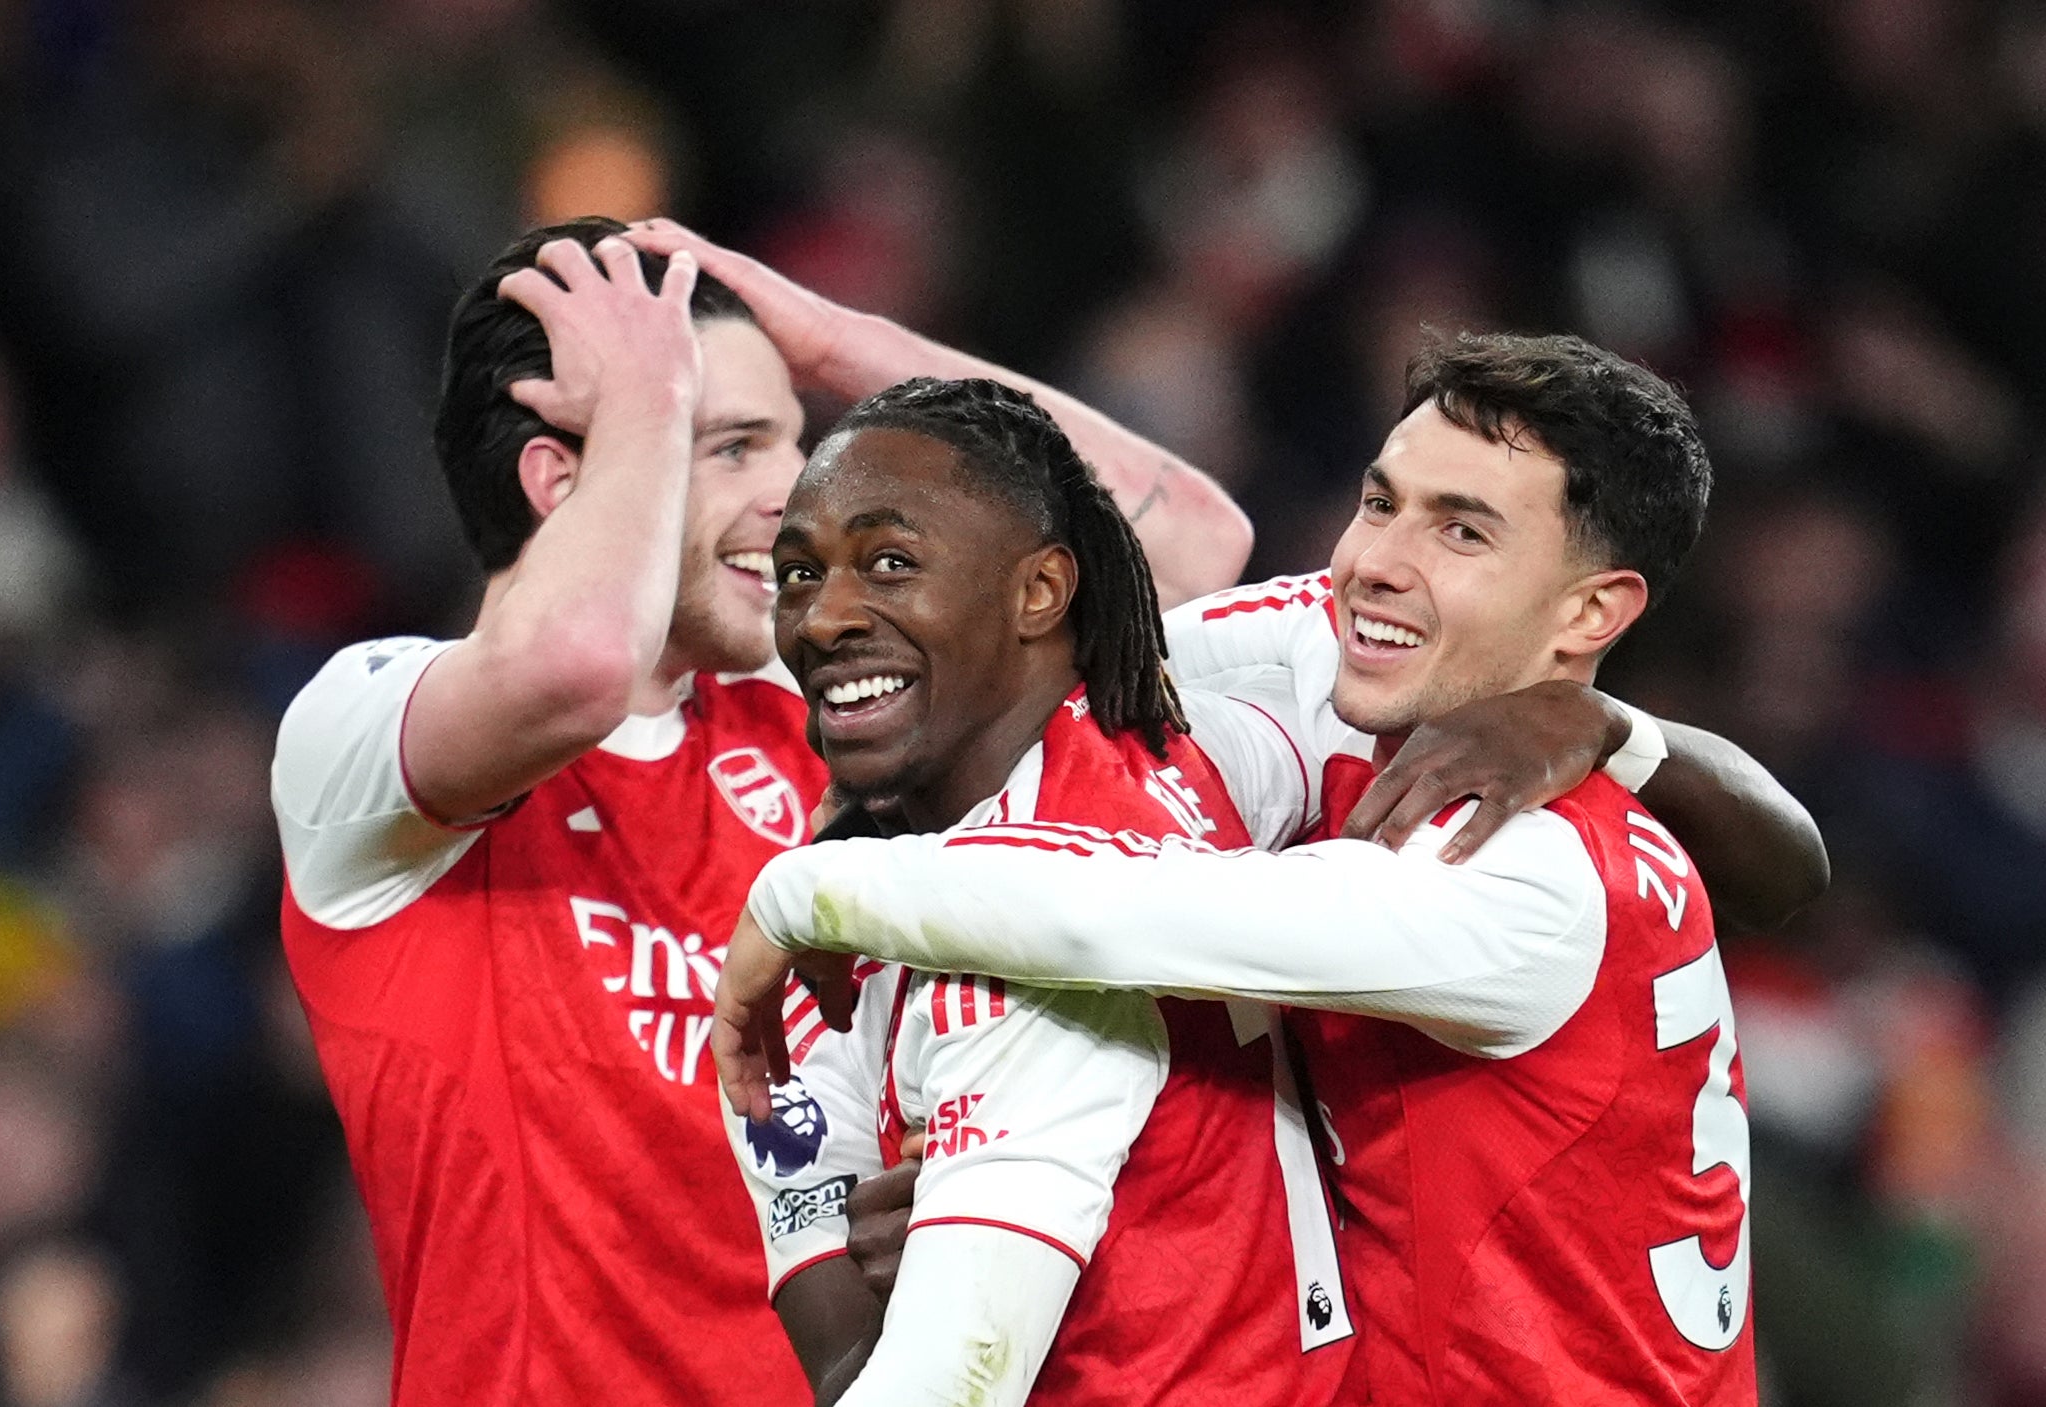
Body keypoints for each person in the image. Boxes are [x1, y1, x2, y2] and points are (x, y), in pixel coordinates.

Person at [269, 216, 1256, 1407]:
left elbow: (1191, 547)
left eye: (795, 440)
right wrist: (645, 396)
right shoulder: (360, 741)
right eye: (731, 446)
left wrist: (838, 342)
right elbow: (578, 660)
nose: (794, 495)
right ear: (560, 477)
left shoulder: (812, 710)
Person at [720, 332, 1799, 1405]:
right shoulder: (1338, 661)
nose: (1377, 560)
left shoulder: (1522, 875)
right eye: (1382, 503)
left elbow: (1113, 915)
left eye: (1462, 531)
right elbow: (1067, 637)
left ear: (1589, 614)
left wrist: (803, 897)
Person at [724, 376, 1356, 1406]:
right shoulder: (1213, 738)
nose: (825, 617)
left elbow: (925, 1384)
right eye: (799, 573)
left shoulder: (1003, 967)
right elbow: (1315, 612)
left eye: (891, 563)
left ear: (1040, 591)